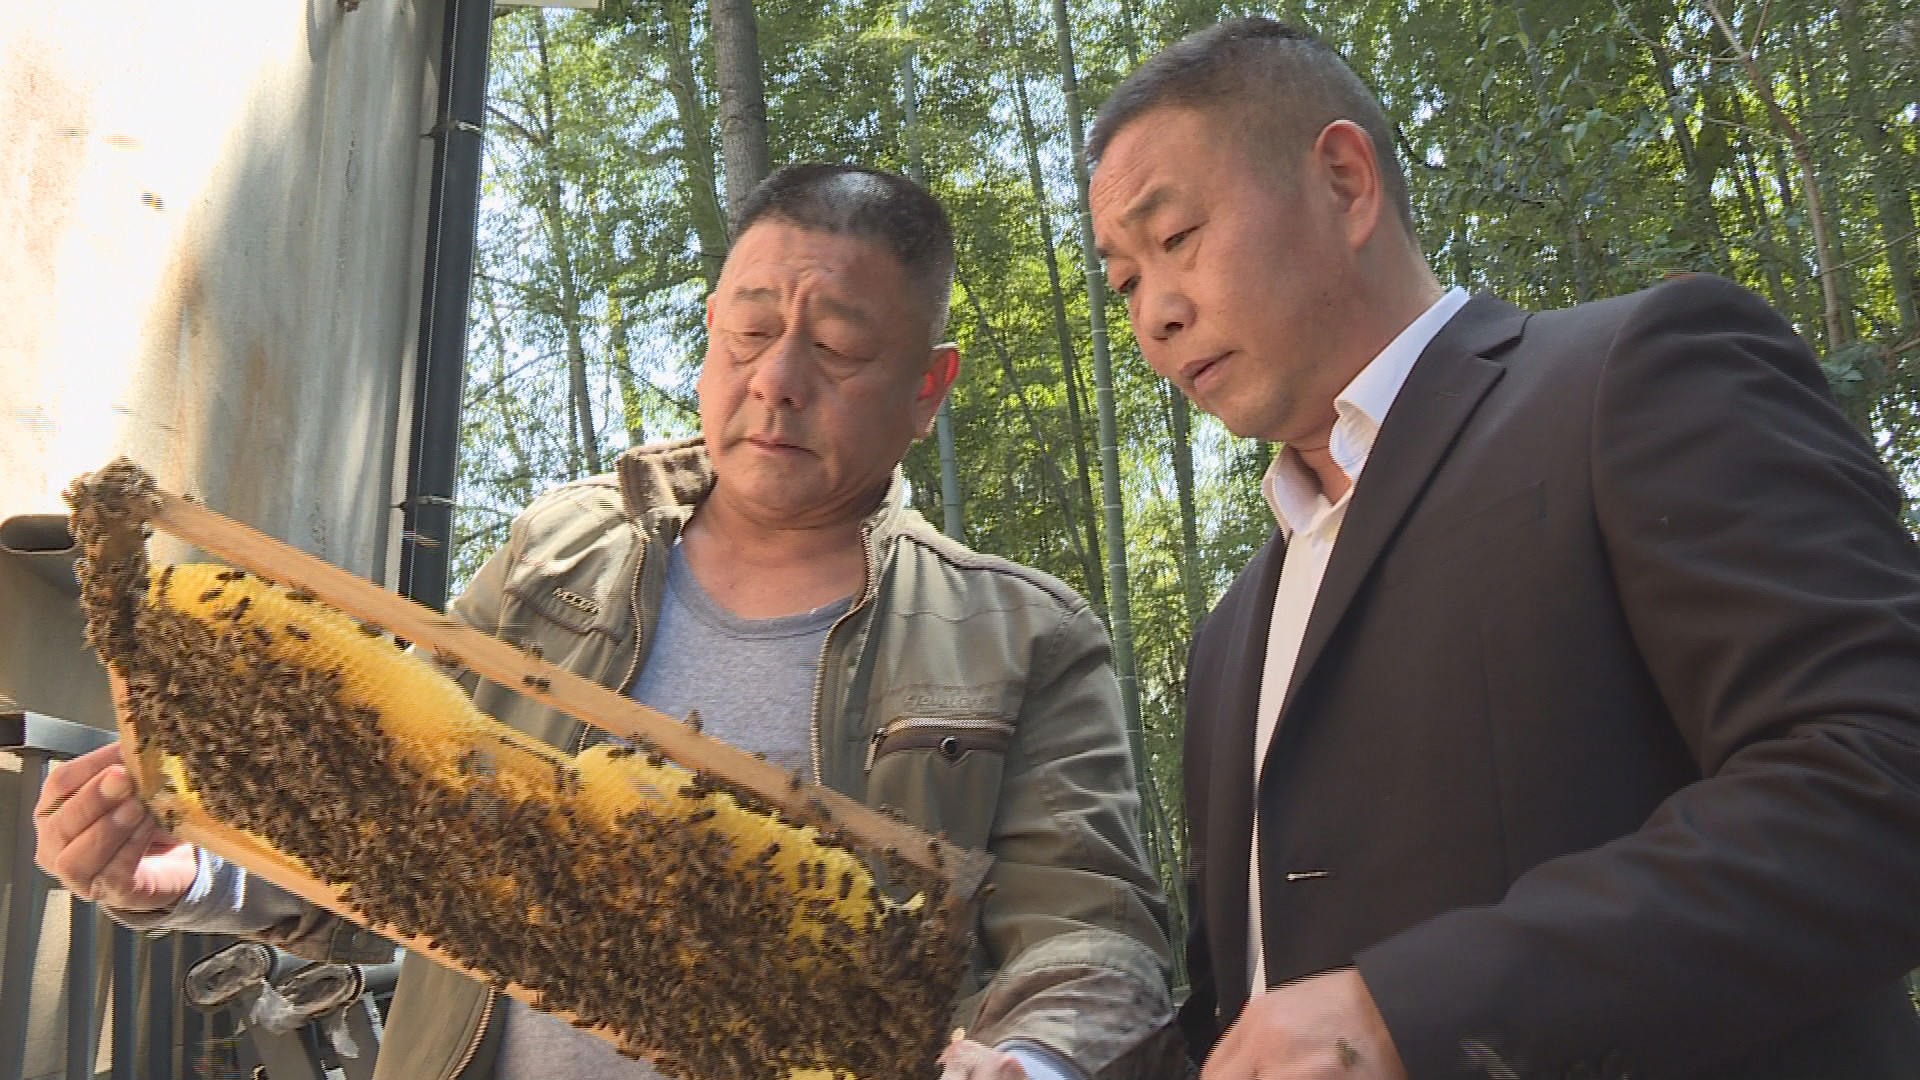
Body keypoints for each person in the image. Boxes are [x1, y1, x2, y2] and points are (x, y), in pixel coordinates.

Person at [35, 164, 1183, 1080]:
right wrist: (197, 872)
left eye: (837, 347)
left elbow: (1092, 936)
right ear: (710, 331)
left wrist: (1030, 1062)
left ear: (928, 387)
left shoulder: (1022, 636)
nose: (778, 378)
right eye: (749, 331)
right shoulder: (557, 552)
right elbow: (391, 832)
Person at [1087, 17, 1920, 1080]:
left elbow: (1881, 772)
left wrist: (1415, 1011)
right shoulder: (1229, 637)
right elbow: (1245, 1013)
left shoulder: (1627, 379)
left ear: (1345, 182)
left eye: (1175, 237)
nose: (1153, 315)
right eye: (1123, 281)